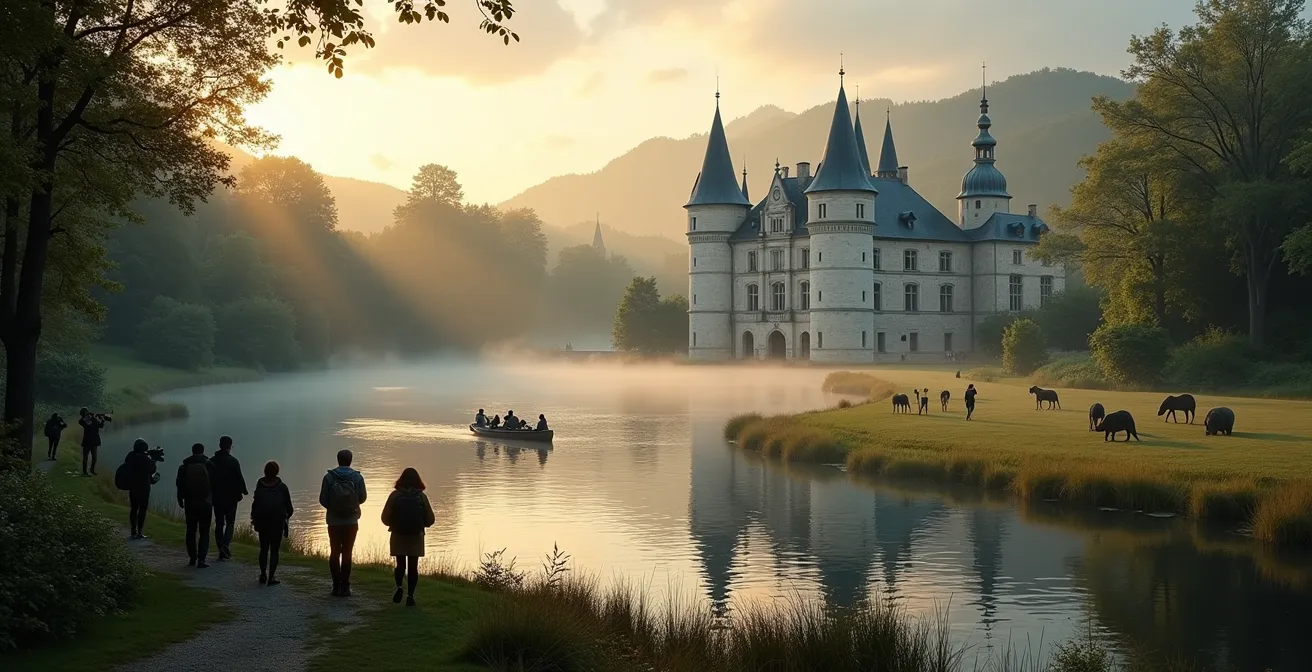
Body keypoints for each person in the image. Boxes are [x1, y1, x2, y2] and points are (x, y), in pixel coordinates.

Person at [380, 467, 435, 607]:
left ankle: (399, 587)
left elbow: (384, 518)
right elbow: (431, 519)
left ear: (401, 480)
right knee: (413, 567)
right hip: (416, 536)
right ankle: (410, 596)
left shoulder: (395, 496)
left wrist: (394, 523)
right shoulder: (421, 497)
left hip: (398, 535)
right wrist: (421, 524)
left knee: (400, 565)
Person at [319, 449, 367, 597]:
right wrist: (351, 507)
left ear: (338, 460)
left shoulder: (328, 477)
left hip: (333, 522)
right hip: (351, 521)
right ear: (350, 460)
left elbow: (323, 500)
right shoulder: (357, 477)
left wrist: (334, 508)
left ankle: (335, 586)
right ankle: (345, 586)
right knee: (347, 552)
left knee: (334, 552)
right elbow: (362, 498)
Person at [250, 460, 294, 586]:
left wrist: (254, 518)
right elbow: (290, 508)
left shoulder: (260, 485)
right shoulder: (282, 487)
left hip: (262, 522)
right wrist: (286, 517)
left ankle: (263, 574)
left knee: (263, 549)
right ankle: (271, 577)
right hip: (277, 522)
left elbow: (255, 504)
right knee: (274, 550)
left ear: (265, 471)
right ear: (277, 472)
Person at [209, 435, 249, 561]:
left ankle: (221, 547)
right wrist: (244, 491)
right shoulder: (233, 461)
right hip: (231, 498)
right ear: (230, 446)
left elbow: (209, 480)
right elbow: (239, 478)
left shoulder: (211, 461)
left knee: (219, 523)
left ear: (220, 445)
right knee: (230, 523)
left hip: (217, 497)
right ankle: (225, 545)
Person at [176, 443, 215, 568]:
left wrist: (180, 498)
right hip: (206, 503)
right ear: (203, 451)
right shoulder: (209, 465)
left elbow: (179, 484)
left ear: (192, 451)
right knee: (204, 531)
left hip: (190, 503)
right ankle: (202, 559)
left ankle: (192, 558)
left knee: (191, 531)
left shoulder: (184, 466)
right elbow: (215, 484)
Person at [123, 438, 159, 539]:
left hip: (133, 486)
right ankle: (140, 531)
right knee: (142, 509)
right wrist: (153, 459)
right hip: (144, 487)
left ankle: (133, 530)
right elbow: (152, 469)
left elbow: (125, 467)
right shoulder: (145, 458)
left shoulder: (130, 456)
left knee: (134, 508)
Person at [79, 408, 109, 476]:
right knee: (85, 458)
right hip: (87, 441)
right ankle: (85, 472)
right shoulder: (82, 421)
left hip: (94, 441)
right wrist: (92, 417)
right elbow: (89, 425)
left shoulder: (93, 419)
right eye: (86, 412)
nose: (88, 413)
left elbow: (100, 426)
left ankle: (92, 470)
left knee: (94, 458)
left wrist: (102, 420)